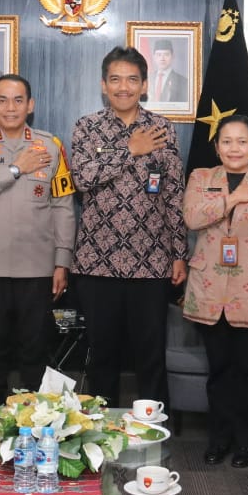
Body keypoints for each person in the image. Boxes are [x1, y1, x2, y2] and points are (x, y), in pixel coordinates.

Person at [70, 46, 188, 407]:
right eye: (116, 79)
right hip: (97, 262)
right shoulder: (87, 127)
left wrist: (179, 254)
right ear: (103, 85)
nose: (124, 87)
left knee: (150, 355)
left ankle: (153, 426)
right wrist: (129, 151)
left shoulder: (163, 129)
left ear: (145, 85)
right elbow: (82, 178)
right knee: (101, 355)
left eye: (132, 80)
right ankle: (99, 429)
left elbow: (174, 195)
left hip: (151, 262)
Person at [181, 115, 248, 468]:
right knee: (219, 371)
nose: (234, 148)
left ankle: (247, 441)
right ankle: (219, 438)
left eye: (242, 141)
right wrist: (232, 198)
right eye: (227, 141)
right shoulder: (201, 178)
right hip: (209, 290)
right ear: (217, 147)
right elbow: (192, 218)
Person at [0, 74, 77, 402]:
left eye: (18, 100)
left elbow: (63, 206)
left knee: (35, 351)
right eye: (3, 100)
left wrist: (62, 261)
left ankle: (35, 421)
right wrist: (15, 169)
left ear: (30, 105)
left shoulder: (50, 146)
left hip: (37, 268)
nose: (10, 108)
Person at [149, 38, 188, 103]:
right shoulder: (148, 78)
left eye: (166, 54)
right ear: (154, 57)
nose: (162, 58)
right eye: (159, 55)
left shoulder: (183, 82)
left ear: (172, 56)